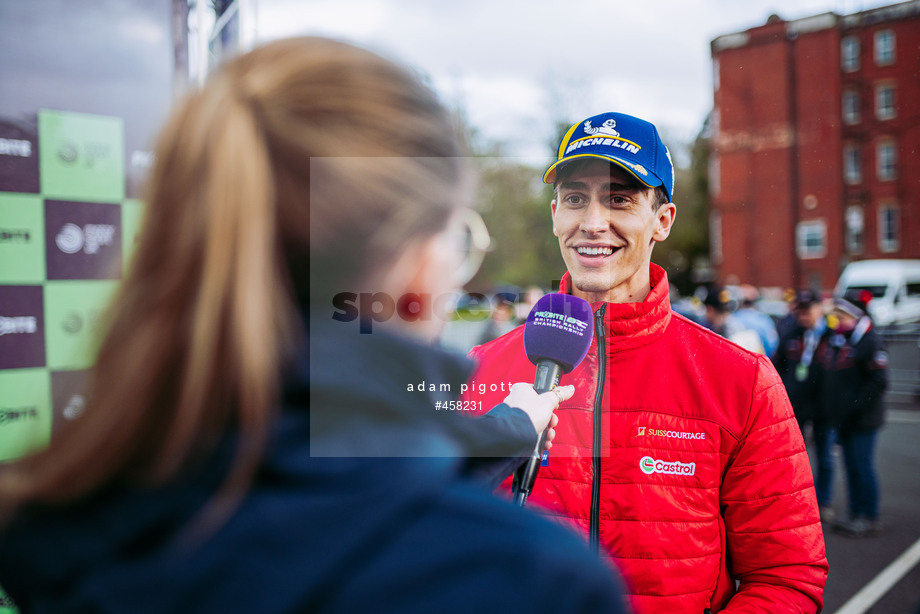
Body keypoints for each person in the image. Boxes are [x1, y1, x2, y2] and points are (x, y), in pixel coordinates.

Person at [0, 38, 630, 613]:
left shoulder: (54, 518)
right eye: (459, 240)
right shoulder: (526, 579)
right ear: (417, 266)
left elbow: (342, 462)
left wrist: (515, 424)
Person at [461, 111, 828, 613]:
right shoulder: (478, 371)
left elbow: (787, 578)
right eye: (575, 199)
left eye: (619, 199)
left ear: (662, 220)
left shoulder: (741, 380)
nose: (593, 222)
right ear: (554, 216)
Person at [820, 288, 889, 537]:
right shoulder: (841, 339)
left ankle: (869, 516)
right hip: (845, 419)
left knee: (862, 467)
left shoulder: (870, 340)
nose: (837, 322)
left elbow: (878, 381)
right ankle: (854, 512)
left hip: (863, 419)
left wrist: (854, 406)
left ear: (855, 316)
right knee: (850, 467)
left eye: (842, 317)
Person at [772, 289, 835, 522]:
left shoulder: (833, 335)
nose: (803, 315)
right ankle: (796, 500)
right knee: (793, 455)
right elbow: (778, 366)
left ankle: (824, 501)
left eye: (808, 310)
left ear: (820, 309)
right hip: (796, 404)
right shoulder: (790, 334)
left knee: (825, 455)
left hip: (824, 406)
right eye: (800, 310)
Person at [733, 284, 780, 358]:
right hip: (760, 362)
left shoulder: (733, 318)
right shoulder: (764, 319)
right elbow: (772, 344)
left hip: (737, 360)